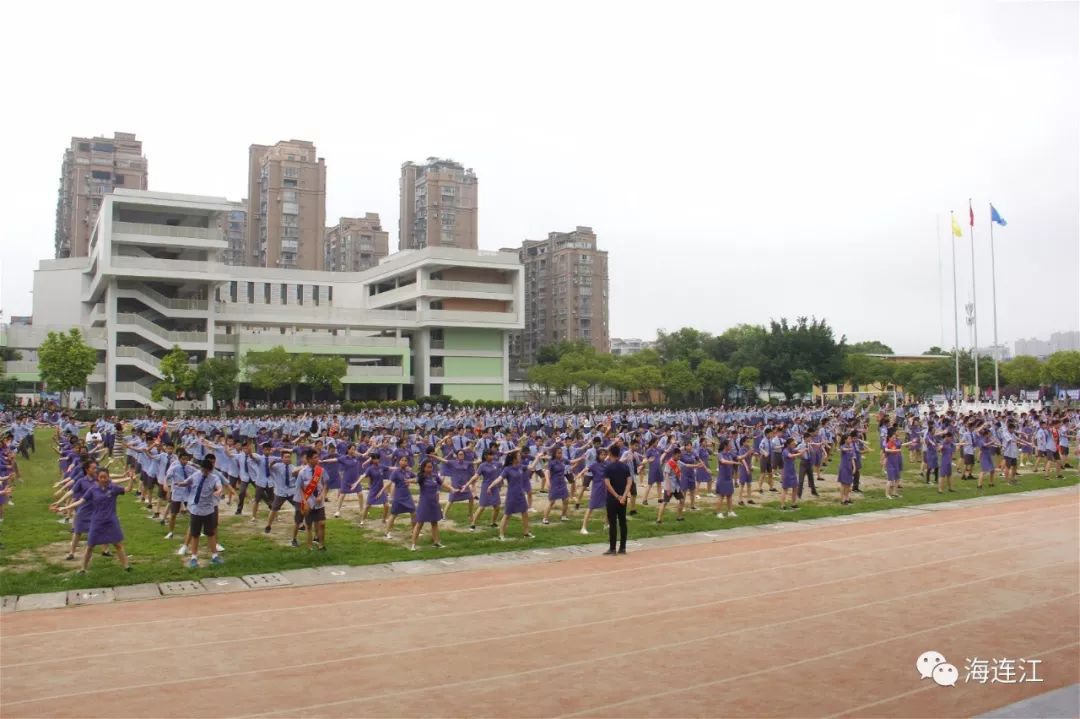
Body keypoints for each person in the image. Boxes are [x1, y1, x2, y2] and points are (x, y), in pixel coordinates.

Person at [55, 467, 132, 574]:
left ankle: (126, 566)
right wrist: (65, 508)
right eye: (101, 477)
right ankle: (83, 569)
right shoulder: (92, 490)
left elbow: (127, 490)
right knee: (90, 546)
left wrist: (131, 480)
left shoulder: (113, 488)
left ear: (108, 477)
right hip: (97, 521)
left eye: (105, 477)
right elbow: (80, 501)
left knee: (118, 545)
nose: (103, 479)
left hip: (111, 521)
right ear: (97, 478)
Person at [182, 458, 225, 568]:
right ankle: (194, 558)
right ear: (201, 468)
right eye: (203, 470)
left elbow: (219, 487)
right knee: (195, 534)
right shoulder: (196, 475)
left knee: (210, 534)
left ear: (210, 470)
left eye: (207, 471)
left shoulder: (214, 478)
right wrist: (179, 484)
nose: (204, 473)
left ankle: (215, 556)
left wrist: (218, 491)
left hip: (208, 510)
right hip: (196, 509)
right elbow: (187, 482)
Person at [487, 449, 533, 541]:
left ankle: (526, 533)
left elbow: (531, 467)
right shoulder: (507, 469)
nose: (520, 456)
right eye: (518, 455)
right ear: (513, 459)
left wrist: (539, 457)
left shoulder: (520, 467)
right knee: (507, 515)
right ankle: (501, 535)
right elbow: (499, 479)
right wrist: (490, 486)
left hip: (521, 494)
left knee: (525, 513)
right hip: (512, 495)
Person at [410, 459, 455, 551]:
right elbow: (415, 480)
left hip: (434, 503)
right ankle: (413, 544)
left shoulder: (435, 476)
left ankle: (436, 542)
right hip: (424, 503)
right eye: (428, 467)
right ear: (424, 468)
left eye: (431, 467)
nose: (430, 469)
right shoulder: (421, 477)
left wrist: (451, 488)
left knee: (434, 523)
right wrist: (409, 481)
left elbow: (443, 484)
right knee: (419, 524)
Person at [295, 449, 329, 551]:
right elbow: (299, 487)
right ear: (309, 459)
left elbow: (325, 484)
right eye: (315, 458)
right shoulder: (302, 472)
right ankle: (309, 546)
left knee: (322, 524)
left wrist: (322, 495)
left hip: (319, 503)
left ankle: (321, 545)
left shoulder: (321, 471)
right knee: (308, 526)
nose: (317, 459)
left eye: (317, 457)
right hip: (308, 503)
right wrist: (304, 500)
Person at [602, 445, 632, 555]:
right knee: (623, 522)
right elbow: (629, 482)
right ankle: (623, 547)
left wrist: (616, 496)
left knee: (613, 523)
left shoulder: (608, 467)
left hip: (612, 499)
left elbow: (607, 483)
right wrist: (623, 496)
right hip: (623, 499)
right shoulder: (625, 467)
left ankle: (612, 548)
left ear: (610, 454)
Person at [714, 438, 738, 518]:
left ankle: (730, 511)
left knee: (729, 495)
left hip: (729, 478)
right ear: (725, 446)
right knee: (721, 495)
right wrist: (734, 462)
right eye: (729, 445)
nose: (731, 446)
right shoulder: (720, 454)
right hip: (722, 478)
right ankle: (718, 512)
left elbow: (739, 457)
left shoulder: (730, 454)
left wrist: (748, 453)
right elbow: (723, 461)